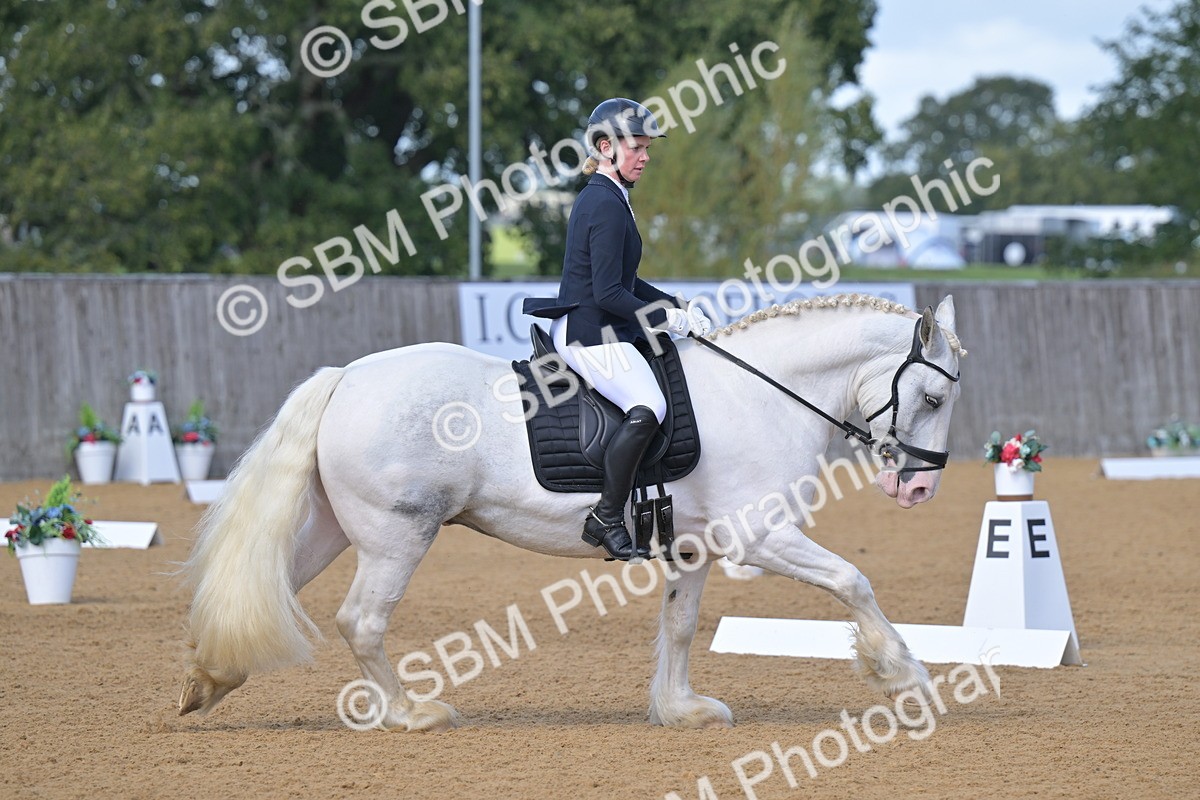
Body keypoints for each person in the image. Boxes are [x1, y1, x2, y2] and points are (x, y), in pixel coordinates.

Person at [524, 98, 713, 561]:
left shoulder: (610, 196)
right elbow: (609, 294)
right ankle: (607, 515)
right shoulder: (605, 203)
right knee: (649, 404)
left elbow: (627, 282)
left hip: (602, 324)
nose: (646, 157)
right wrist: (667, 319)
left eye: (648, 148)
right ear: (606, 147)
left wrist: (674, 303)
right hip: (589, 332)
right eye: (638, 148)